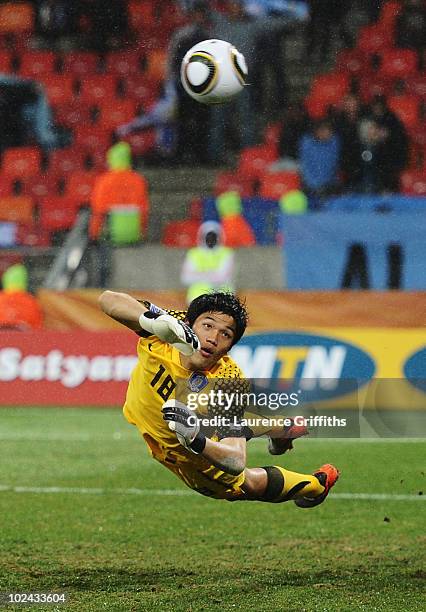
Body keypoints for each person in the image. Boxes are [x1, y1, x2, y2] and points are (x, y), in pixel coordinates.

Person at [99, 289, 340, 505]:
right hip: (165, 430)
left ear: (230, 347)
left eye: (226, 334)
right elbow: (107, 299)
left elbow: (236, 461)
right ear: (189, 322)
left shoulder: (228, 384)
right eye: (207, 326)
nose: (214, 338)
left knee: (245, 486)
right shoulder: (168, 327)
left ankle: (315, 486)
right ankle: (279, 427)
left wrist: (196, 439)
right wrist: (149, 322)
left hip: (196, 446)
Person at [89, 141, 150, 286]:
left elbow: (98, 211)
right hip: (133, 235)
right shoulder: (138, 180)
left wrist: (93, 234)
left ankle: (102, 285)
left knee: (103, 261)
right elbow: (144, 211)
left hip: (111, 235)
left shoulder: (104, 181)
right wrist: (141, 232)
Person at [181, 221, 235, 303]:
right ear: (202, 237)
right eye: (208, 236)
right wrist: (212, 275)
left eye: (213, 236)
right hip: (197, 299)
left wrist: (199, 274)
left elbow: (223, 277)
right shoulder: (193, 254)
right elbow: (186, 278)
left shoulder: (227, 253)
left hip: (222, 299)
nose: (211, 240)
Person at [299, 119, 341, 207]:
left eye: (329, 131)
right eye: (323, 131)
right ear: (317, 132)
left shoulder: (334, 143)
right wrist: (315, 185)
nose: (327, 134)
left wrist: (324, 185)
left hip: (329, 185)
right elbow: (306, 166)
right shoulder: (307, 144)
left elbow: (332, 165)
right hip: (310, 186)